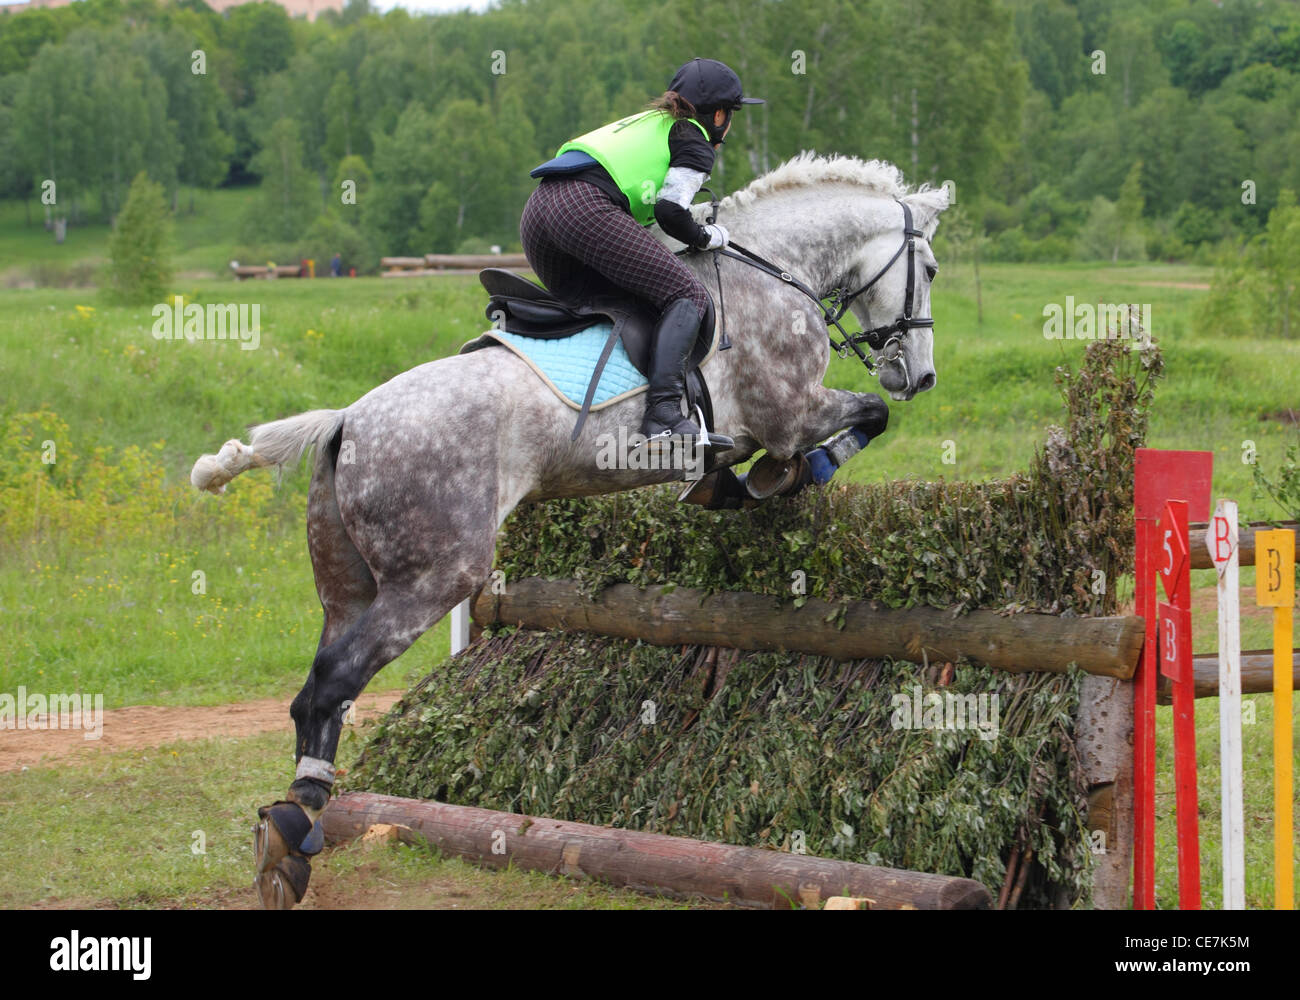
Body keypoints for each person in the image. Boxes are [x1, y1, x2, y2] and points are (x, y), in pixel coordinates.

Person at [521, 58, 763, 446]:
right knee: (686, 295)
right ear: (718, 115)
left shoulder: (647, 122)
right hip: (584, 207)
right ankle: (663, 415)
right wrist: (705, 237)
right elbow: (670, 211)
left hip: (538, 213)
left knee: (610, 302)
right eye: (731, 114)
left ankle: (597, 406)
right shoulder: (694, 140)